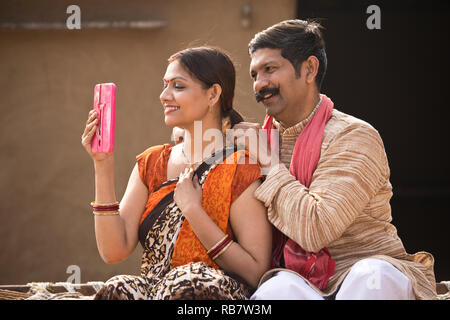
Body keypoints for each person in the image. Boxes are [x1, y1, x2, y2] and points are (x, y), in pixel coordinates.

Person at [233, 19, 437, 300]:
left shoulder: (353, 136)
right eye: (255, 74)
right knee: (276, 290)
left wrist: (269, 163)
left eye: (270, 69)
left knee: (370, 278)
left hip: (366, 273)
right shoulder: (257, 142)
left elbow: (316, 229)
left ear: (309, 69)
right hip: (297, 280)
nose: (260, 84)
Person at [81, 46, 272, 299]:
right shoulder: (152, 163)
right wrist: (102, 164)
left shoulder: (240, 167)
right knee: (118, 288)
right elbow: (114, 251)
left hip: (209, 294)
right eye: (164, 85)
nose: (164, 95)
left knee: (188, 285)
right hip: (156, 289)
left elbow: (255, 272)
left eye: (178, 86)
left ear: (213, 94)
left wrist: (194, 211)